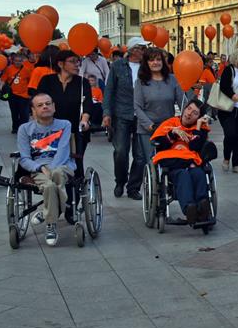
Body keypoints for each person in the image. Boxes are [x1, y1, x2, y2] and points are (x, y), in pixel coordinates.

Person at [36, 50, 93, 223]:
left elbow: (87, 105)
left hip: (75, 132)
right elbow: (38, 103)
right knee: (51, 167)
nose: (77, 64)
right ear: (61, 64)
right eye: (73, 61)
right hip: (50, 132)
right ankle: (56, 200)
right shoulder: (47, 81)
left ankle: (71, 206)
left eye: (78, 61)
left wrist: (85, 120)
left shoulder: (82, 83)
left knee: (74, 168)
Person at [17, 93, 76, 247]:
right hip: (38, 169)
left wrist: (52, 169)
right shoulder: (24, 129)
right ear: (33, 110)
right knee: (49, 186)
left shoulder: (64, 124)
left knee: (56, 174)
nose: (45, 107)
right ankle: (52, 221)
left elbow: (63, 151)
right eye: (40, 105)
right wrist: (40, 167)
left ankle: (48, 215)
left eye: (48, 103)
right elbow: (24, 158)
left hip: (63, 165)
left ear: (54, 107)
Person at [151, 99, 213, 224]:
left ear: (199, 117)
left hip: (191, 163)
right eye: (189, 109)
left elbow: (195, 146)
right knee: (183, 174)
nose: (189, 114)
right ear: (184, 108)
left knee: (198, 173)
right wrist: (173, 133)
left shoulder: (201, 129)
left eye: (195, 113)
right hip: (174, 165)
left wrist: (199, 127)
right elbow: (158, 145)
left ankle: (203, 206)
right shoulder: (170, 123)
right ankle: (189, 208)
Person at [103, 37, 149, 199]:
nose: (145, 51)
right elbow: (109, 91)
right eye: (142, 48)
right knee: (121, 151)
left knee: (141, 154)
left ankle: (133, 187)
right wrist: (107, 113)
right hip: (121, 113)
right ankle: (120, 181)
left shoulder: (148, 67)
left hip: (142, 115)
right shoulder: (117, 66)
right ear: (133, 50)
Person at [134, 47, 185, 175]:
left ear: (163, 62)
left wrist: (190, 118)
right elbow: (137, 107)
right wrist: (150, 125)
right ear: (146, 63)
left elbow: (183, 102)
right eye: (151, 60)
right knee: (151, 161)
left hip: (169, 128)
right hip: (149, 129)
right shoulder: (140, 82)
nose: (155, 63)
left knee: (170, 159)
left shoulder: (173, 80)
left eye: (158, 59)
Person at [218, 48, 238, 173]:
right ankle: (226, 158)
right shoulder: (229, 70)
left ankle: (236, 163)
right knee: (230, 134)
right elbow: (224, 86)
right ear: (237, 60)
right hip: (228, 108)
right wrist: (234, 96)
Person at [2, 53, 32, 133]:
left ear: (22, 61)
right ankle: (15, 127)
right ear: (13, 61)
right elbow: (3, 79)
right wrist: (1, 87)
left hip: (24, 95)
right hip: (12, 95)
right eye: (16, 61)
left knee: (24, 114)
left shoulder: (27, 70)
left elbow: (30, 81)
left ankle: (23, 129)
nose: (18, 62)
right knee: (14, 113)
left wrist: (30, 93)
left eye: (20, 61)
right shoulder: (8, 69)